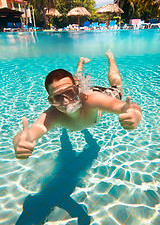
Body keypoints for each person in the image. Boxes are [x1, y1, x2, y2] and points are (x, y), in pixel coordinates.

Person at [13, 50, 142, 159]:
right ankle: (80, 64)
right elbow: (31, 133)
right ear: (51, 101)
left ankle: (110, 57)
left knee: (117, 86)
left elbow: (125, 107)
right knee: (74, 81)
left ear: (77, 90)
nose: (65, 101)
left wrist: (134, 112)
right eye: (57, 98)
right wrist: (20, 141)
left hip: (95, 94)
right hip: (77, 88)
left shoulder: (92, 100)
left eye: (69, 92)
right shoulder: (53, 114)